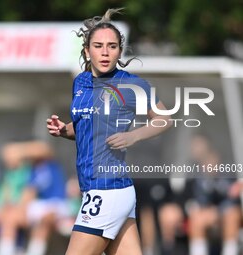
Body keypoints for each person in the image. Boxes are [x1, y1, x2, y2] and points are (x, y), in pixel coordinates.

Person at [47, 8, 172, 255]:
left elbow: (165, 119)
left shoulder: (130, 84)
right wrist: (65, 130)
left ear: (119, 51)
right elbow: (87, 126)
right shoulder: (80, 83)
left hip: (107, 189)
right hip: (102, 190)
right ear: (87, 51)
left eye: (112, 46)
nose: (105, 52)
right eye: (99, 45)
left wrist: (133, 135)